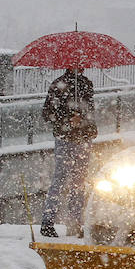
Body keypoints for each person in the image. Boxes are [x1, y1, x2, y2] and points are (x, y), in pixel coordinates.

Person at [40, 67, 97, 237]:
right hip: (75, 138)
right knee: (71, 182)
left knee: (67, 181)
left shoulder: (64, 84)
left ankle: (54, 221)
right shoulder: (70, 85)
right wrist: (70, 118)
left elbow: (48, 113)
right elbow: (48, 113)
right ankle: (67, 222)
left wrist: (77, 119)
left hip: (72, 137)